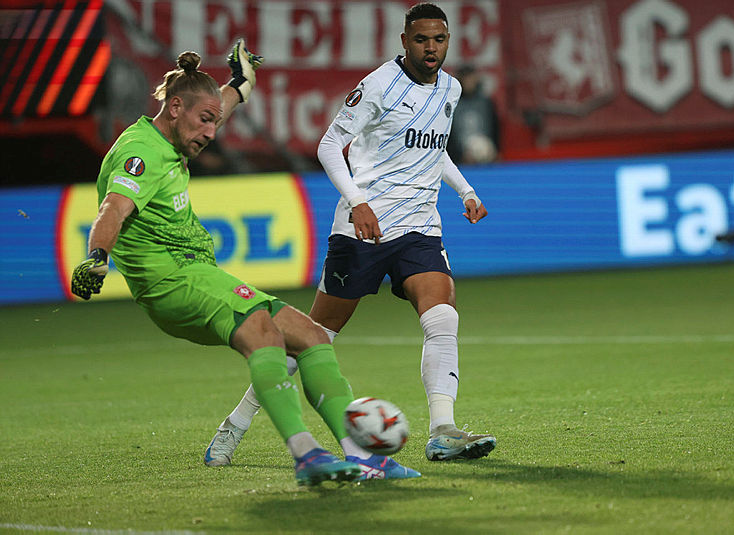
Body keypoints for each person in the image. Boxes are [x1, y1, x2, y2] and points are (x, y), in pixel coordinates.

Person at [70, 40, 419, 486]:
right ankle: (307, 455)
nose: (212, 133)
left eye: (215, 121)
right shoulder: (139, 153)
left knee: (311, 337)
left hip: (199, 275)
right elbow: (112, 210)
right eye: (204, 121)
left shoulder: (174, 130)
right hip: (172, 283)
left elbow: (219, 104)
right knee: (265, 337)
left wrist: (238, 84)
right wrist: (96, 257)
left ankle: (363, 457)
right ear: (174, 107)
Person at [205, 2, 496, 469]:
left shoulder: (451, 89)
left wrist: (466, 190)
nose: (431, 49)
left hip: (419, 226)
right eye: (421, 40)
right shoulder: (380, 85)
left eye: (439, 40)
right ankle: (236, 423)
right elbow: (327, 145)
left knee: (442, 318)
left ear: (448, 41)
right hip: (364, 229)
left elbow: (434, 149)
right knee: (311, 341)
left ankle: (442, 430)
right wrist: (358, 201)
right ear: (404, 41)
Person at [447, 64, 500, 165]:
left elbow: (495, 128)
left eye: (471, 78)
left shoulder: (485, 102)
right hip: (460, 158)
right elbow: (448, 133)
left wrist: (496, 150)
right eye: (466, 79)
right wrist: (458, 155)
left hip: (486, 153)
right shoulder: (452, 103)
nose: (469, 82)